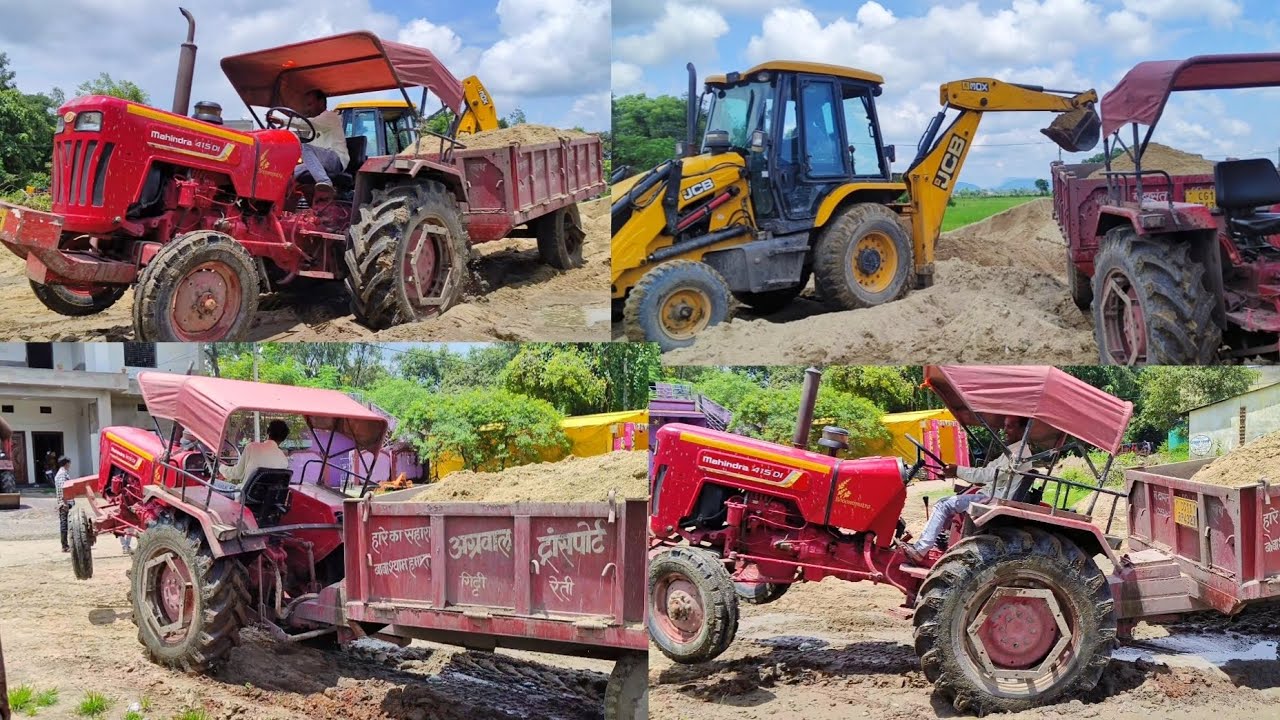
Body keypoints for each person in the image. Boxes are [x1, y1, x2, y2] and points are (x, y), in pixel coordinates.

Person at [903, 416, 1037, 564]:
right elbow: (987, 471)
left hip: (995, 499)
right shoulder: (1013, 451)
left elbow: (987, 474)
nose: (1004, 431)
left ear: (1023, 430)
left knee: (943, 504)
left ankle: (920, 549)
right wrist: (955, 472)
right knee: (952, 502)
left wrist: (957, 470)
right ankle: (940, 544)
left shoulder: (1018, 455)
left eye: (1009, 427)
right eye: (1004, 426)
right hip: (994, 494)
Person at [289, 89, 349, 200]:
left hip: (335, 160)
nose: (308, 109)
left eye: (310, 104)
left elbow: (309, 123)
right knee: (288, 173)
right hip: (320, 162)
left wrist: (283, 121)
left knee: (303, 147)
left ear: (321, 103)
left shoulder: (330, 117)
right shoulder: (314, 129)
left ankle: (325, 182)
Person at [220, 420, 291, 483]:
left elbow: (238, 473)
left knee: (214, 483)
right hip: (268, 494)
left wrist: (220, 467)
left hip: (244, 493)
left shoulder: (252, 447)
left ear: (268, 432)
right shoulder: (284, 460)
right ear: (284, 438)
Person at [53, 457, 72, 552]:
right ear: (66, 464)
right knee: (64, 525)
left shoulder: (62, 473)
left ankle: (66, 545)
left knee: (66, 524)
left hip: (65, 502)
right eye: (69, 464)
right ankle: (64, 546)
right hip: (64, 503)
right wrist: (64, 503)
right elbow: (62, 489)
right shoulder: (62, 474)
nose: (70, 466)